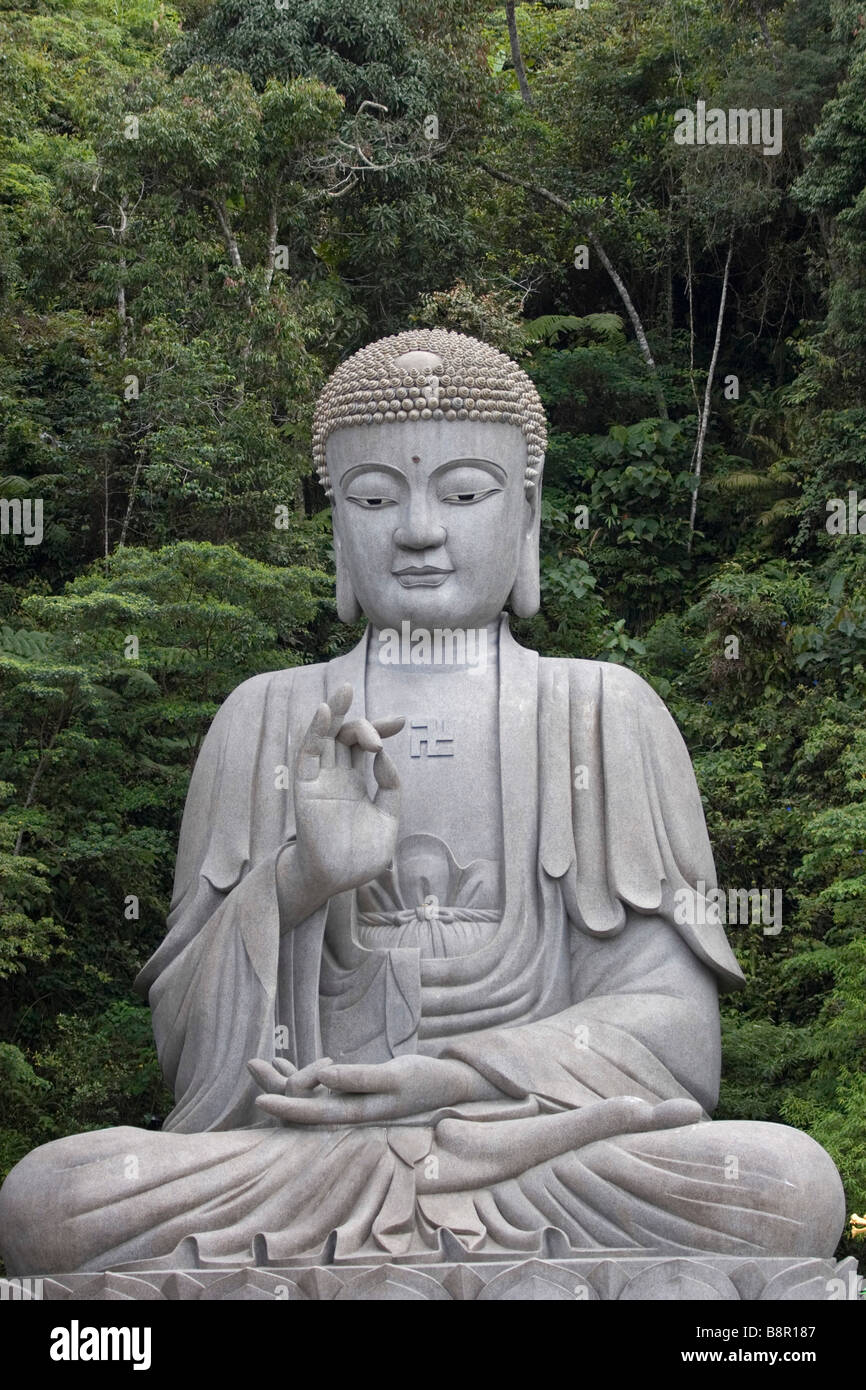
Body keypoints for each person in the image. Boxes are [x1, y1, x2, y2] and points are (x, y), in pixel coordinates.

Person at [0, 330, 844, 1274]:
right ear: (336, 529)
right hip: (307, 1160)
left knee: (788, 1183)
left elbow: (683, 1042)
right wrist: (302, 880)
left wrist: (443, 1081)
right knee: (53, 1198)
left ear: (526, 517)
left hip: (537, 1155)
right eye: (373, 497)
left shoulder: (607, 712)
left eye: (466, 492)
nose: (417, 529)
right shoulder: (263, 719)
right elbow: (190, 1059)